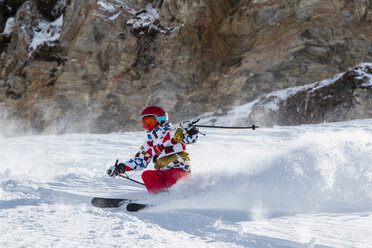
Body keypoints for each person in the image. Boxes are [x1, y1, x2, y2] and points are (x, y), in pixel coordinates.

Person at [107, 106, 199, 194]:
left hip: (179, 172)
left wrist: (191, 130)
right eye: (144, 123)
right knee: (147, 175)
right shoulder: (150, 144)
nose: (147, 126)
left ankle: (179, 196)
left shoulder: (173, 132)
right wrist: (121, 167)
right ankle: (159, 197)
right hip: (163, 173)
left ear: (161, 120)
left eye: (150, 121)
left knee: (173, 175)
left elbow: (189, 139)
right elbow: (139, 161)